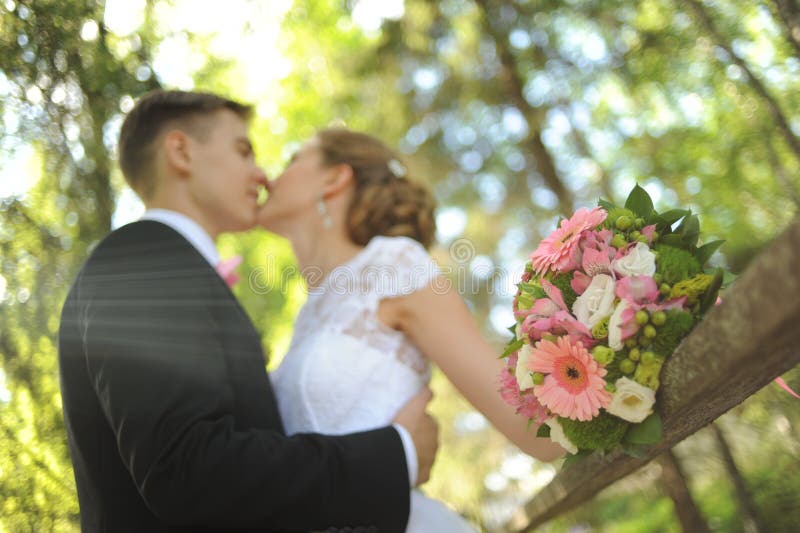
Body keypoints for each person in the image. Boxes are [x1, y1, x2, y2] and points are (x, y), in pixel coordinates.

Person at [57, 89, 439, 532]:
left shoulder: (166, 264)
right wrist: (396, 455)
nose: (261, 175)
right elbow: (188, 471)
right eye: (243, 151)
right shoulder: (143, 257)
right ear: (180, 151)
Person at [257, 128, 565, 532]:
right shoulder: (308, 314)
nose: (269, 177)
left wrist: (607, 353)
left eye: (294, 159)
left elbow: (532, 428)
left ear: (335, 179)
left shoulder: (393, 265)